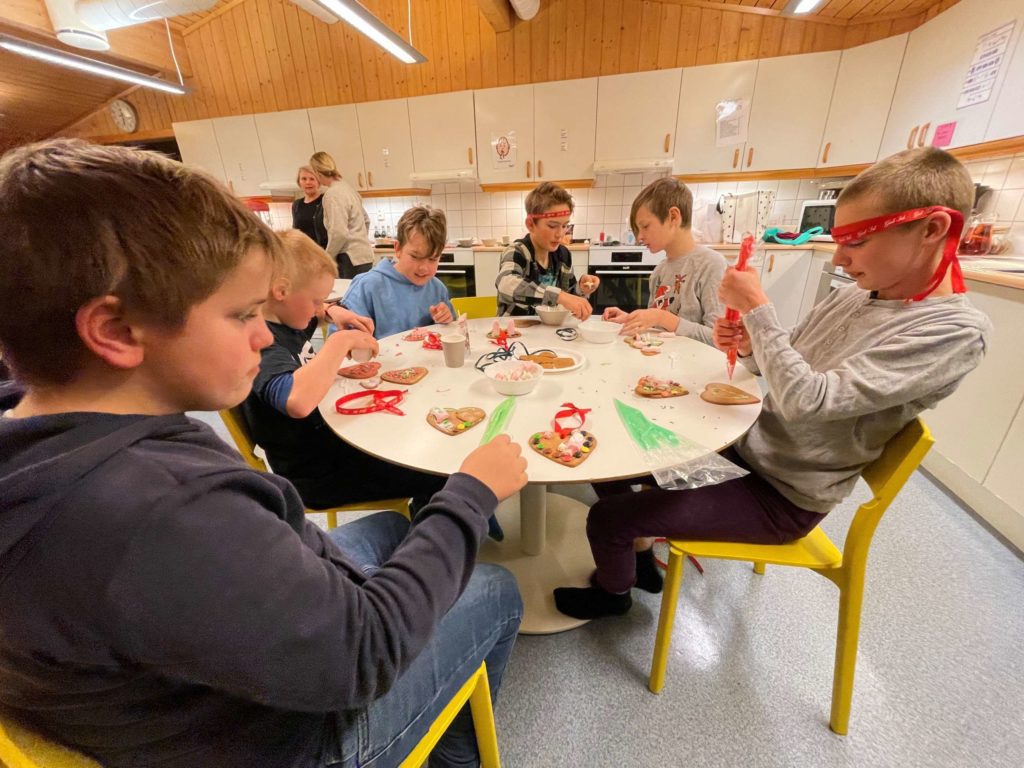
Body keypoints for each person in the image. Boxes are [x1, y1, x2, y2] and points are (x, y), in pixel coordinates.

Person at [0, 139, 527, 768]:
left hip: (216, 674)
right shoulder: (160, 511)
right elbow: (368, 652)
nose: (262, 333)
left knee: (390, 526)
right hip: (294, 741)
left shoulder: (48, 429)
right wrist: (467, 493)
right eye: (244, 313)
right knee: (495, 586)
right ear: (115, 331)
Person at [553, 147, 991, 620]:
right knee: (606, 460)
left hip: (782, 494)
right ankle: (638, 557)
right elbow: (776, 364)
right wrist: (745, 343)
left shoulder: (952, 332)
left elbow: (806, 400)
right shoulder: (860, 296)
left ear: (932, 230)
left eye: (858, 241)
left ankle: (613, 595)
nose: (840, 258)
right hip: (744, 445)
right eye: (839, 239)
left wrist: (760, 312)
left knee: (608, 516)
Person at [243, 228, 451, 511]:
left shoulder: (286, 318)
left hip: (331, 444)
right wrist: (341, 341)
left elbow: (314, 312)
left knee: (419, 432)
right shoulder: (260, 343)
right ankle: (431, 524)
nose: (318, 310)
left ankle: (432, 507)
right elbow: (296, 400)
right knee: (436, 467)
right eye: (315, 300)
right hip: (314, 475)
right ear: (280, 291)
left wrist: (333, 311)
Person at [602, 178, 725, 345]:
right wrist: (631, 319)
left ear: (673, 217)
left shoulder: (711, 265)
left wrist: (662, 317)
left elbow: (721, 341)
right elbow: (657, 327)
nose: (639, 238)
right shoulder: (660, 271)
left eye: (645, 226)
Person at [342, 205, 456, 340]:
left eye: (433, 259)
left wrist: (446, 318)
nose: (423, 268)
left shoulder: (437, 288)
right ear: (398, 249)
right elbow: (342, 339)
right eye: (415, 256)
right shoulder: (367, 286)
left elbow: (450, 331)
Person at [496, 181, 600, 319]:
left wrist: (580, 289)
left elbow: (568, 295)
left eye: (565, 226)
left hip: (548, 330)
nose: (560, 234)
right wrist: (558, 296)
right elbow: (506, 284)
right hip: (515, 332)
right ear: (531, 224)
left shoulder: (563, 254)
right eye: (552, 226)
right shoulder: (517, 251)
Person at [310, 150, 374, 279]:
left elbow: (339, 233)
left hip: (349, 259)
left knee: (348, 297)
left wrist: (327, 258)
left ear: (317, 172)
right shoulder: (348, 189)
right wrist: (360, 239)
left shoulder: (333, 194)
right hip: (364, 258)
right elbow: (366, 220)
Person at [291, 164, 328, 249]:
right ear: (299, 182)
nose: (308, 182)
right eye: (304, 179)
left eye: (312, 179)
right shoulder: (296, 204)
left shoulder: (326, 200)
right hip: (304, 254)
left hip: (324, 253)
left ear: (318, 183)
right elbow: (295, 231)